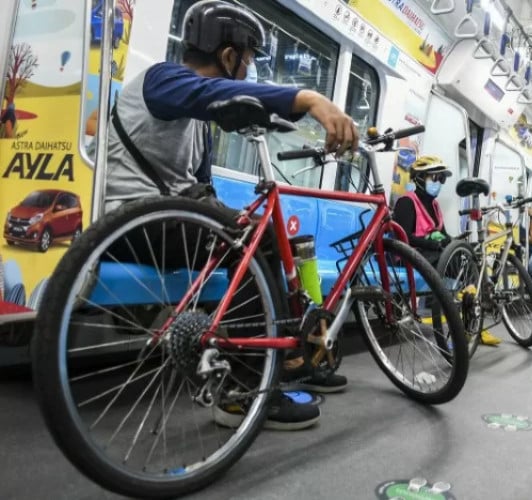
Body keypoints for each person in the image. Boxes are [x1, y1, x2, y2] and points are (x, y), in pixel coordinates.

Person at [106, 1, 356, 430]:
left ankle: (286, 359)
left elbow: (199, 185)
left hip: (172, 219)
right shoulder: (162, 81)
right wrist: (307, 98)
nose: (250, 68)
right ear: (228, 56)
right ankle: (244, 392)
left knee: (268, 235)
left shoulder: (198, 123)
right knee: (251, 243)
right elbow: (210, 94)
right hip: (135, 221)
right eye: (250, 59)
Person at [392, 156, 502, 346]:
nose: (439, 184)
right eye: (435, 178)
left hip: (430, 255)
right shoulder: (406, 202)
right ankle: (465, 325)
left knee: (469, 264)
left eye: (441, 179)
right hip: (407, 256)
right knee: (455, 263)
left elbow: (441, 234)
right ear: (419, 178)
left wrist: (460, 244)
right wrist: (432, 244)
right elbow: (404, 238)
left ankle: (474, 324)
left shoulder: (434, 205)